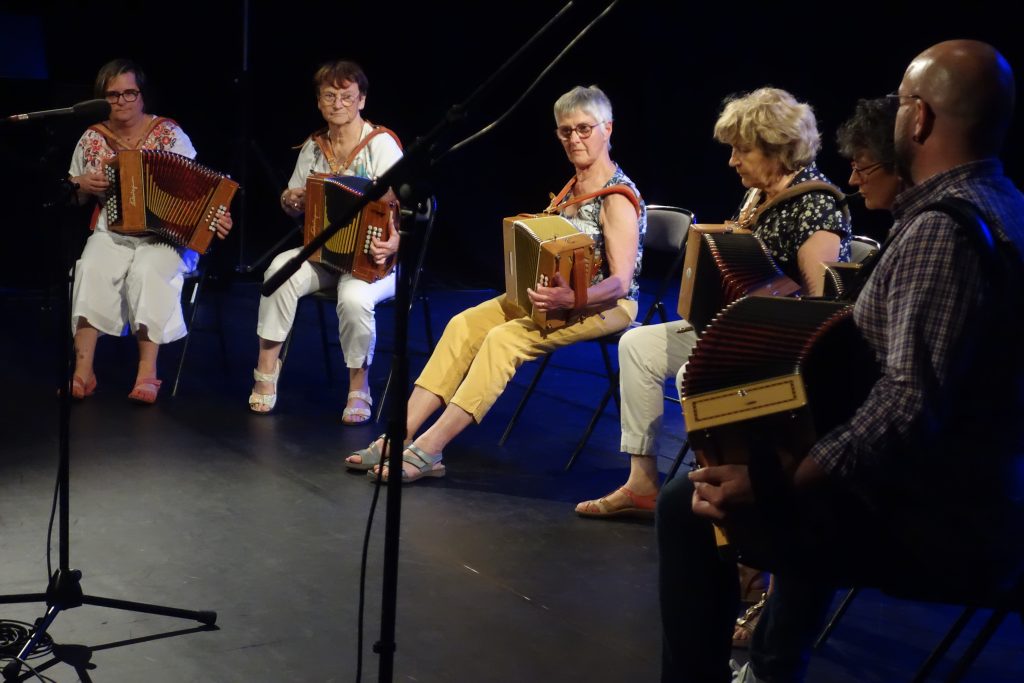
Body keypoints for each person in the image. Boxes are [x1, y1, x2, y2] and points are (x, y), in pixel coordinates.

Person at [658, 39, 1024, 683]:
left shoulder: (943, 230)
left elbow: (908, 405)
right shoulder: (1008, 205)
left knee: (692, 501)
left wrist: (778, 482)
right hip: (977, 490)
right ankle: (775, 663)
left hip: (941, 518)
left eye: (904, 101)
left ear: (920, 119)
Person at [575, 87, 850, 522]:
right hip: (731, 330)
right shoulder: (757, 195)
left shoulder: (816, 206)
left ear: (777, 148)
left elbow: (822, 304)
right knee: (637, 347)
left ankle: (726, 490)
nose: (732, 160)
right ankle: (643, 484)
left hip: (776, 352)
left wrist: (763, 322)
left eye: (742, 150)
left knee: (694, 372)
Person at [345, 84, 645, 482]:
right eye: (565, 131)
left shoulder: (617, 197)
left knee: (505, 339)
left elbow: (621, 283)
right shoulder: (572, 187)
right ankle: (396, 437)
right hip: (555, 297)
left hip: (605, 306)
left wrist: (573, 297)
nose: (574, 139)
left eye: (584, 129)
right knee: (464, 324)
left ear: (608, 129)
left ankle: (428, 449)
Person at [68, 58, 233, 404]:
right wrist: (82, 185)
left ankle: (148, 372)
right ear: (102, 99)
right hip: (111, 232)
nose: (122, 101)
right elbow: (74, 197)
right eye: (113, 95)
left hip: (165, 237)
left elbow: (198, 188)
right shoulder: (91, 139)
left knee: (147, 270)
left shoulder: (169, 134)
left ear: (142, 97)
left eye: (130, 93)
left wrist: (217, 216)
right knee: (90, 268)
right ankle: (83, 370)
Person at [249, 60, 403, 422]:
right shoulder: (313, 148)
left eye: (346, 96)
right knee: (278, 272)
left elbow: (409, 207)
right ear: (319, 102)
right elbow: (293, 204)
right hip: (324, 255)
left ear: (361, 100)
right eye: (329, 96)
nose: (338, 104)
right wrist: (290, 200)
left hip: (374, 259)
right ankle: (266, 373)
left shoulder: (382, 145)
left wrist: (395, 242)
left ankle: (359, 387)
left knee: (354, 298)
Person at [837, 96, 903, 212]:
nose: (852, 181)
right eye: (854, 167)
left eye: (861, 168)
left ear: (897, 164)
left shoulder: (930, 221)